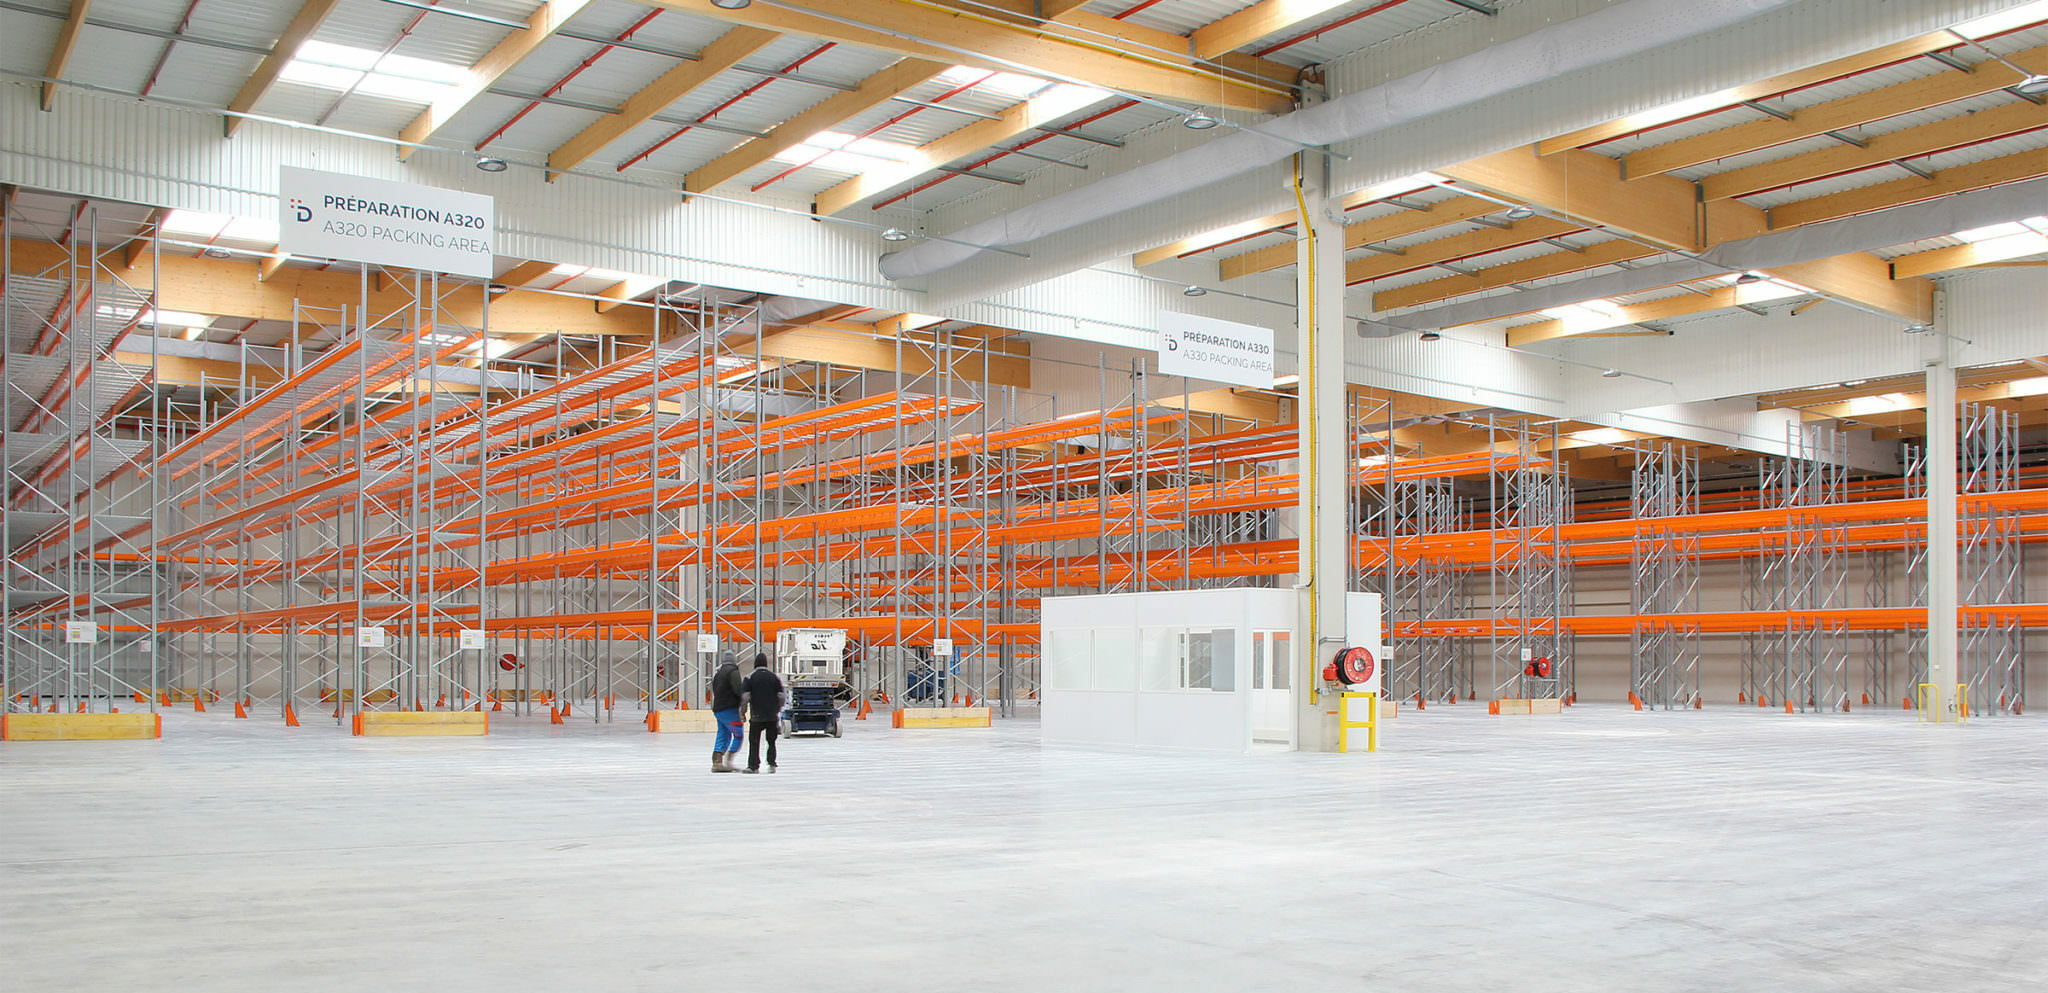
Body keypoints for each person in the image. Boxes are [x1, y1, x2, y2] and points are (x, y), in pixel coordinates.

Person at [740, 652, 785, 774]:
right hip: (771, 715)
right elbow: (781, 696)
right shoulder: (774, 677)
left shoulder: (749, 678)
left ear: (755, 664)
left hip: (756, 715)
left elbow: (745, 698)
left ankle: (753, 766)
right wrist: (778, 710)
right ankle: (771, 764)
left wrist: (742, 713)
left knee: (754, 741)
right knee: (771, 741)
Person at [708, 651, 746, 773]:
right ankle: (729, 761)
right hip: (729, 710)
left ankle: (717, 762)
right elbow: (738, 689)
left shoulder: (718, 673)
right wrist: (742, 706)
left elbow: (713, 689)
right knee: (738, 734)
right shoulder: (733, 672)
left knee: (723, 734)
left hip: (718, 709)